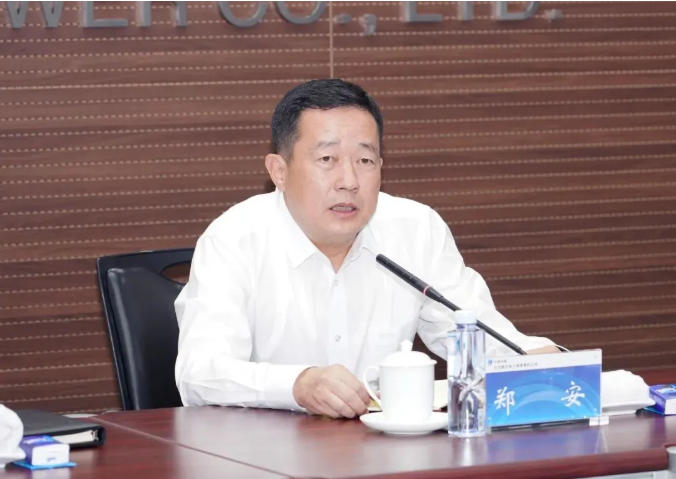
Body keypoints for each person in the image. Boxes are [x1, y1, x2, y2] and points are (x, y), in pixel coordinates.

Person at [174, 79, 557, 419]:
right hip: (267, 454)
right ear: (279, 171)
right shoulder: (235, 240)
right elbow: (200, 373)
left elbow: (475, 335)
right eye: (327, 159)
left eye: (365, 160)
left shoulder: (415, 229)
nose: (349, 181)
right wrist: (298, 384)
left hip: (390, 453)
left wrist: (534, 359)